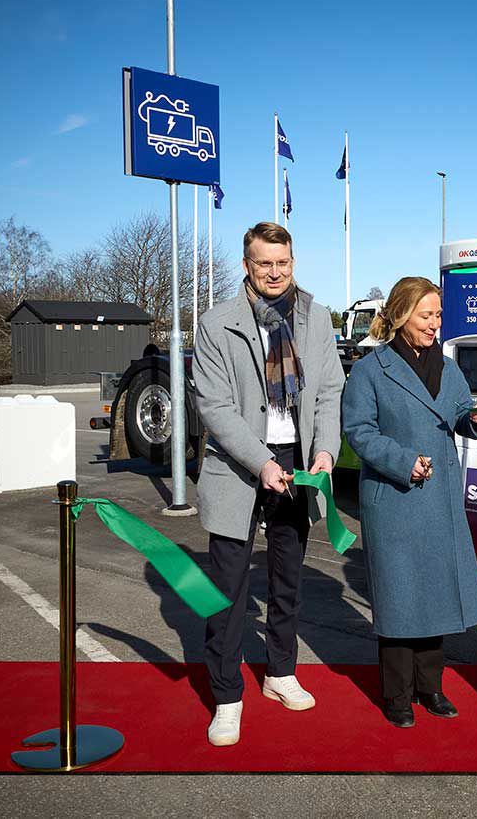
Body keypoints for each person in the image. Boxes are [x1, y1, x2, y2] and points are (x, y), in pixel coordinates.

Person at [192, 221, 345, 747]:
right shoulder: (217, 324)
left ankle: (280, 673)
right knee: (228, 590)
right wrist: (260, 462)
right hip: (240, 462)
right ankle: (228, 697)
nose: (275, 273)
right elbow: (214, 406)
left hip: (298, 460)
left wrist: (325, 449)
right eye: (264, 263)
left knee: (287, 580)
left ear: (293, 262)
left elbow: (329, 392)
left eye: (283, 263)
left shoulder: (316, 318)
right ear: (247, 266)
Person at [341, 277, 477, 728]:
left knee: (436, 595)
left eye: (439, 315)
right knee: (400, 598)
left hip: (440, 497)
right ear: (402, 315)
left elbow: (463, 412)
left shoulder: (449, 368)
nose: (435, 324)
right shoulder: (371, 369)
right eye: (427, 315)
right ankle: (398, 696)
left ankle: (432, 688)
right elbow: (359, 431)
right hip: (395, 499)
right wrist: (404, 462)